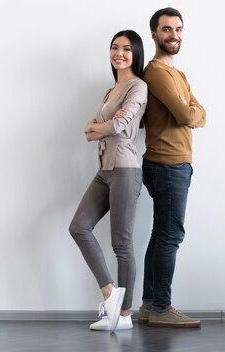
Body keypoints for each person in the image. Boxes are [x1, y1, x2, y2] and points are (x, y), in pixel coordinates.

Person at [69, 29, 147, 332]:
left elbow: (119, 126)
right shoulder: (110, 90)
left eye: (127, 49)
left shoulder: (138, 87)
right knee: (79, 227)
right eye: (115, 48)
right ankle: (110, 294)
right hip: (105, 170)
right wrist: (99, 128)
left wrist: (97, 127)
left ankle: (124, 314)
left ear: (136, 54)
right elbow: (93, 130)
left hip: (126, 169)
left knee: (122, 244)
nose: (120, 54)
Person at [137, 7, 206, 328]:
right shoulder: (155, 73)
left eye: (178, 29)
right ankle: (162, 308)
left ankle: (149, 306)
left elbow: (200, 112)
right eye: (166, 29)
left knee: (160, 234)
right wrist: (192, 111)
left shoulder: (179, 74)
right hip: (167, 164)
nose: (173, 35)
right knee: (170, 236)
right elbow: (187, 116)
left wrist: (193, 111)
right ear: (154, 34)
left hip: (175, 164)